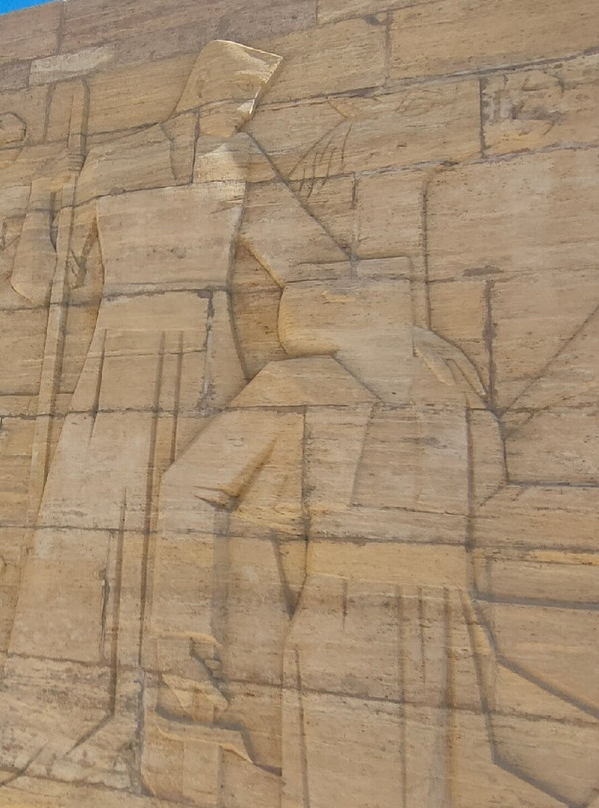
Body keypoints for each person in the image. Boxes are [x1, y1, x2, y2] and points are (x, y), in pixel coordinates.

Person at [0, 39, 354, 790]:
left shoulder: (241, 162)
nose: (242, 112)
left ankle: (191, 714)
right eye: (235, 93)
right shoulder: (113, 161)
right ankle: (73, 722)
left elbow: (310, 266)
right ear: (199, 84)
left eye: (253, 100)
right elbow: (39, 285)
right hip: (114, 363)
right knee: (89, 530)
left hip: (205, 355)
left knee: (203, 522)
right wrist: (39, 204)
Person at [150, 263, 566, 807]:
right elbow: (188, 487)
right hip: (349, 615)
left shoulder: (444, 377)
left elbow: (485, 496)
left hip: (448, 616)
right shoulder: (303, 384)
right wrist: (184, 631)